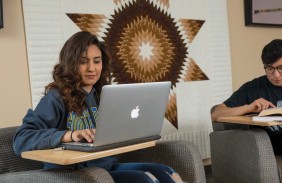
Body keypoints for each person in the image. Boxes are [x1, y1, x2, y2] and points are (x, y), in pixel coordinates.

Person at [13, 31, 182, 183]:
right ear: (70, 63)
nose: (92, 68)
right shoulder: (55, 98)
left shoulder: (105, 95)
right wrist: (69, 135)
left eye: (97, 61)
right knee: (145, 180)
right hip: (72, 173)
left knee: (165, 172)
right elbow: (21, 139)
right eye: (83, 62)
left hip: (104, 167)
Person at [211, 39, 282, 182]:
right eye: (270, 68)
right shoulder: (253, 87)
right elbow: (216, 114)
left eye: (281, 68)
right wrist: (249, 107)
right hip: (270, 141)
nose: (276, 75)